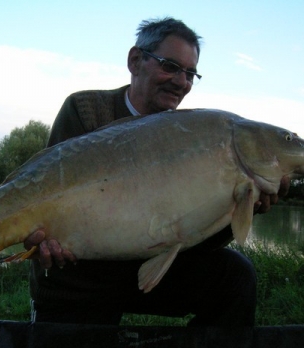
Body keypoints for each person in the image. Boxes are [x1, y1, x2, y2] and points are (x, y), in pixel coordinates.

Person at [25, 17, 290, 326]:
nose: (181, 81)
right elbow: (43, 198)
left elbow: (191, 236)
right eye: (170, 66)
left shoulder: (192, 138)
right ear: (136, 60)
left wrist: (243, 210)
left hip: (153, 268)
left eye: (191, 73)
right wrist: (44, 238)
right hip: (82, 273)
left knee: (236, 276)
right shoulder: (84, 110)